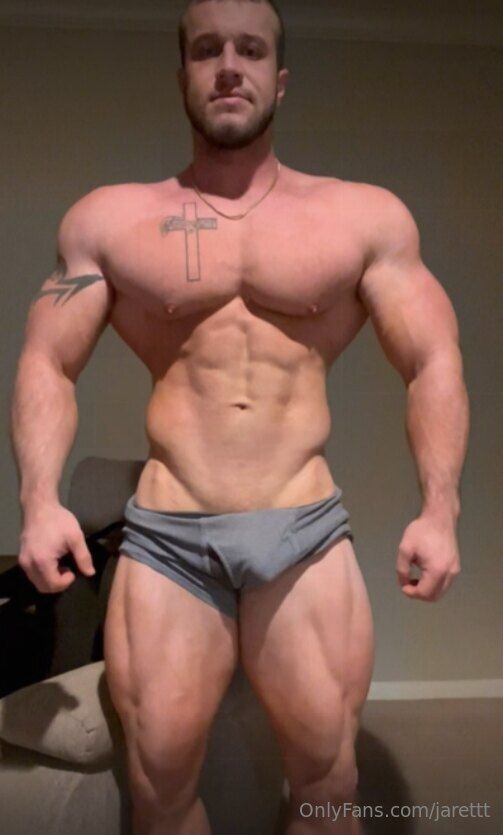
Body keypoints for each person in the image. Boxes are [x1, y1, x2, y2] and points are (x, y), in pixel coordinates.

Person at [10, 0, 470, 833]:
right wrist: (38, 501)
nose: (229, 66)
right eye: (207, 49)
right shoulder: (109, 220)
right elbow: (48, 359)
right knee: (157, 788)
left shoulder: (362, 216)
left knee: (327, 783)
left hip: (302, 529)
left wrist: (440, 510)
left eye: (250, 49)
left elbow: (431, 358)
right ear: (182, 74)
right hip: (167, 536)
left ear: (278, 79)